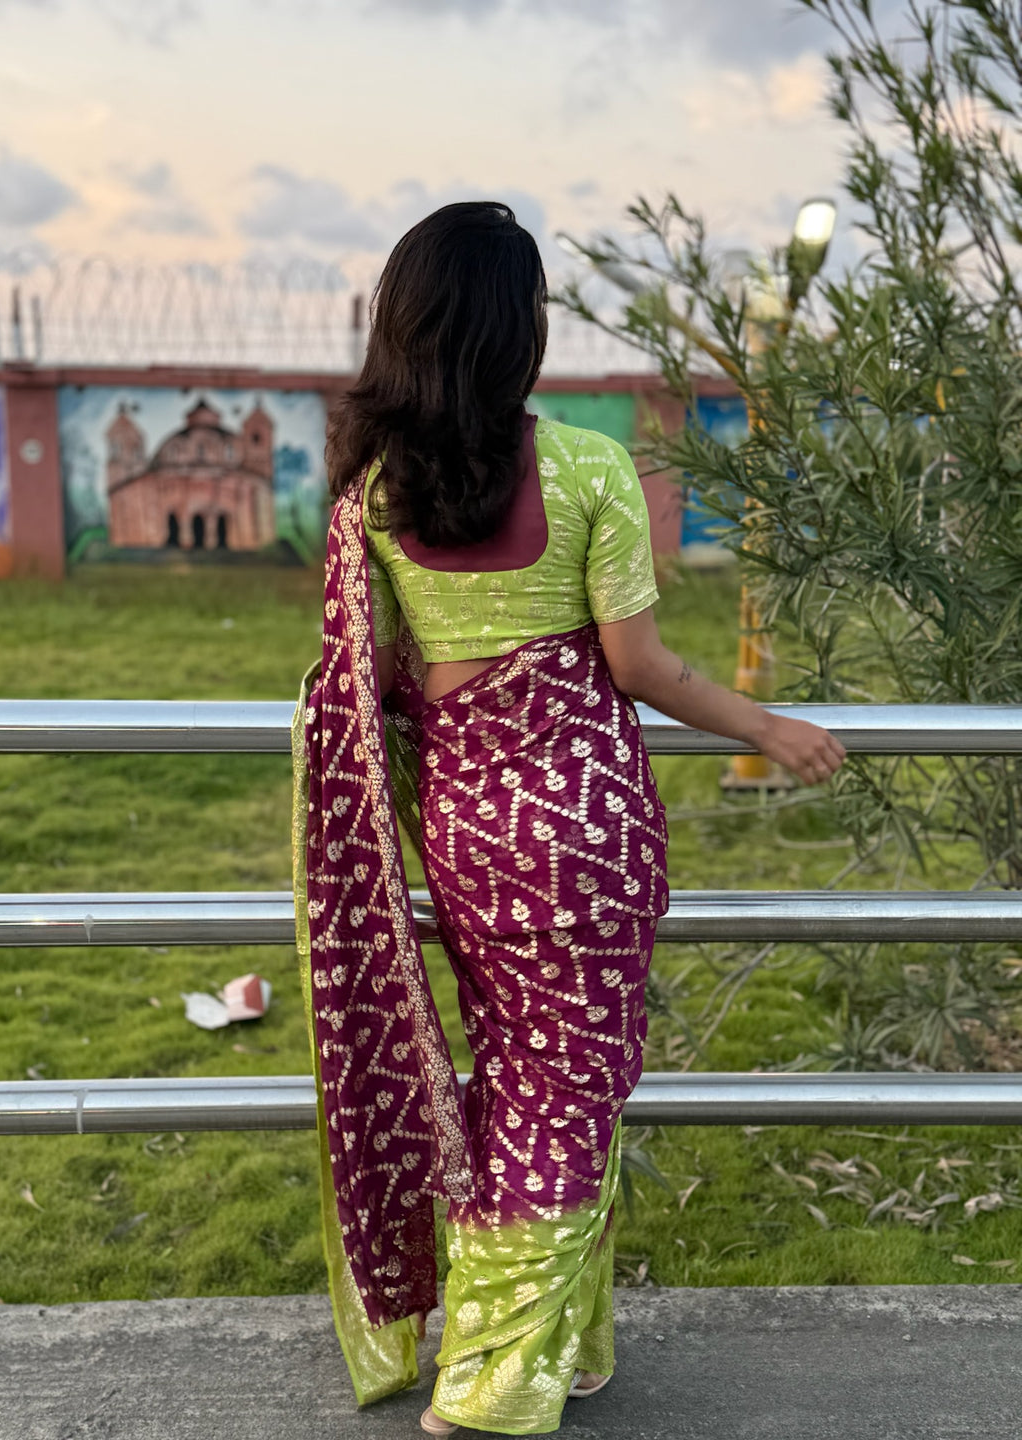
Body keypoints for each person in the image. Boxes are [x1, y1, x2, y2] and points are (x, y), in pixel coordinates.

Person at [292, 200, 846, 1437]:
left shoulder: (373, 496)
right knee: (569, 1086)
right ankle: (489, 1387)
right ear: (517, 329)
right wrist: (768, 728)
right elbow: (640, 667)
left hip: (470, 834)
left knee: (523, 1075)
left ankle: (571, 1349)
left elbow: (373, 679)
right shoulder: (591, 468)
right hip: (586, 831)